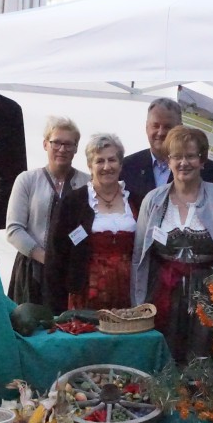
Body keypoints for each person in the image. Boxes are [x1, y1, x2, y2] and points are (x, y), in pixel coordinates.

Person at [132, 125, 213, 363]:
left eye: (191, 156)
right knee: (164, 361)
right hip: (163, 293)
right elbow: (139, 257)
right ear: (168, 161)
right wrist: (138, 304)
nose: (184, 163)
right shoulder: (152, 201)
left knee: (205, 363)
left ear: (202, 160)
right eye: (177, 156)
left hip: (209, 297)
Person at [46, 133, 138, 314]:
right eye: (99, 161)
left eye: (112, 160)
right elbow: (57, 254)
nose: (106, 167)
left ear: (120, 164)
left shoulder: (136, 200)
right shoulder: (73, 202)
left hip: (131, 292)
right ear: (90, 165)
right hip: (86, 292)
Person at [6, 116, 89, 307]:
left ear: (76, 148)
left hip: (72, 274)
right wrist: (46, 258)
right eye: (56, 143)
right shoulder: (27, 180)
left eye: (69, 144)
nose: (62, 149)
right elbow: (14, 229)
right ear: (45, 144)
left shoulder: (88, 183)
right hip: (32, 270)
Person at [122, 98, 213, 205]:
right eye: (155, 126)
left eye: (168, 127)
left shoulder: (208, 170)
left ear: (180, 128)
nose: (160, 132)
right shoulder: (127, 166)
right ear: (146, 127)